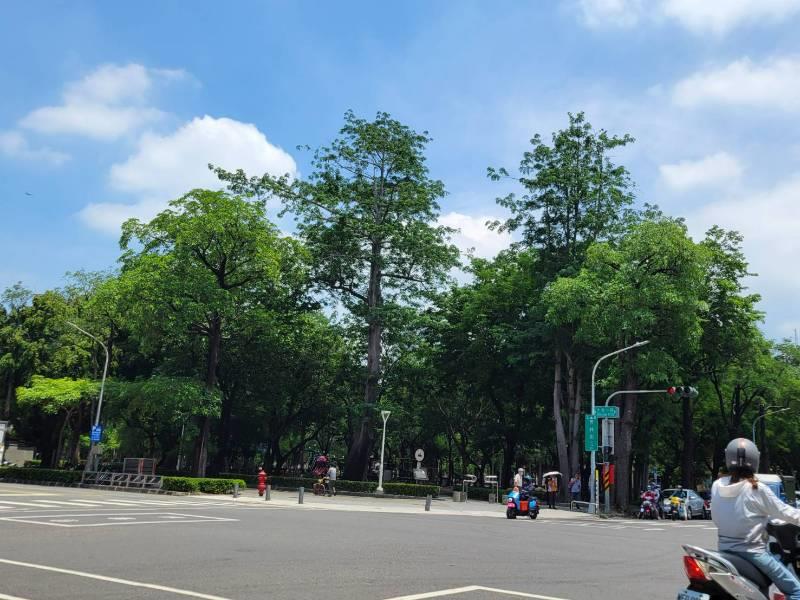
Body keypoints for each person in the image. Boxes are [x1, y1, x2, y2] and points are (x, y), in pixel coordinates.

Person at [712, 438, 800, 600]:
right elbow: (785, 513)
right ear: (755, 459)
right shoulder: (756, 488)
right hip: (753, 554)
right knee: (796, 591)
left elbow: (716, 518)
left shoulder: (717, 485)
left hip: (724, 551)